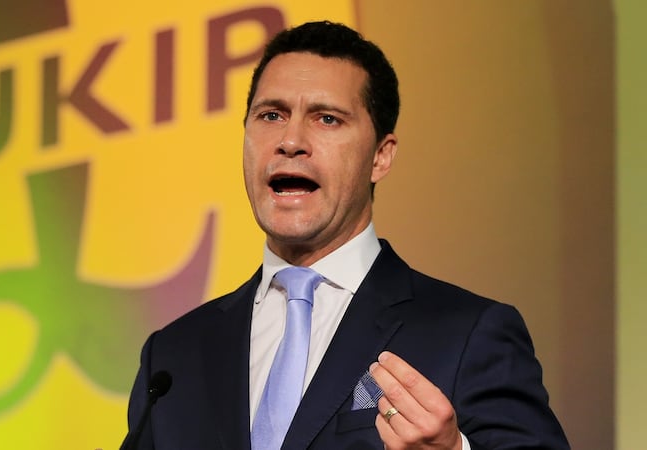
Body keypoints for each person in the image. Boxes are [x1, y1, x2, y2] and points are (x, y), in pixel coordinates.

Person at [125, 21, 569, 449]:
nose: (291, 140)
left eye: (327, 119)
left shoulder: (468, 333)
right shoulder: (172, 358)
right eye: (272, 115)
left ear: (381, 156)